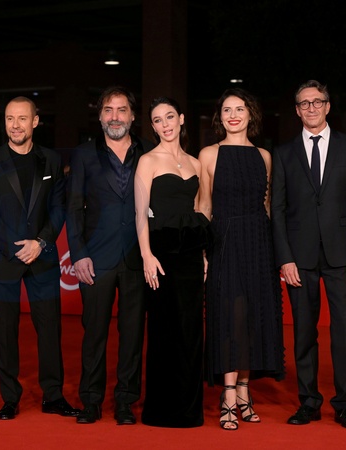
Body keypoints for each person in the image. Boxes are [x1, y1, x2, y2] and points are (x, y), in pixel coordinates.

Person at [272, 80, 346, 429]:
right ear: (297, 111)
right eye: (304, 103)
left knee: (344, 332)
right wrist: (285, 258)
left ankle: (345, 405)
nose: (311, 108)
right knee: (303, 332)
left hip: (343, 255)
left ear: (328, 106)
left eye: (317, 102)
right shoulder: (283, 153)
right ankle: (309, 402)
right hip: (299, 259)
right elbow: (277, 211)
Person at [0, 96, 78, 420]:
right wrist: (15, 246)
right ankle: (10, 398)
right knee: (5, 332)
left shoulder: (51, 160)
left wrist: (40, 242)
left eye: (22, 119)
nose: (15, 125)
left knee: (49, 330)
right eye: (9, 119)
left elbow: (58, 207)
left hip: (42, 258)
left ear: (35, 121)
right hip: (4, 257)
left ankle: (53, 396)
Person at [198, 88, 285, 430]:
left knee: (252, 317)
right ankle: (229, 395)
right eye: (226, 110)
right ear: (219, 117)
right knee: (230, 316)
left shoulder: (264, 156)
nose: (233, 115)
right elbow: (204, 206)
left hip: (258, 243)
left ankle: (245, 391)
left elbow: (267, 206)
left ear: (251, 114)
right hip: (224, 241)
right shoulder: (209, 154)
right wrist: (203, 252)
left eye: (239, 109)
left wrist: (274, 252)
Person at [66, 86, 154, 425]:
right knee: (94, 333)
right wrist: (79, 254)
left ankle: (125, 402)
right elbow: (74, 207)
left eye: (121, 110)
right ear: (100, 116)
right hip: (96, 257)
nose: (115, 117)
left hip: (136, 256)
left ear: (132, 116)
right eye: (108, 110)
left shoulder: (149, 152)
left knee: (132, 334)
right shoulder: (83, 154)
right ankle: (91, 400)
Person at [135, 97, 208, 428]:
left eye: (169, 117)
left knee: (191, 331)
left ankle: (189, 409)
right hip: (160, 255)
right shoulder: (148, 161)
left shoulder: (196, 163)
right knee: (164, 330)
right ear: (153, 126)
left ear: (181, 119)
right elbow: (140, 213)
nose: (164, 124)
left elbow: (199, 211)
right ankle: (161, 410)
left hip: (190, 256)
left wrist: (203, 254)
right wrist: (146, 255)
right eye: (157, 120)